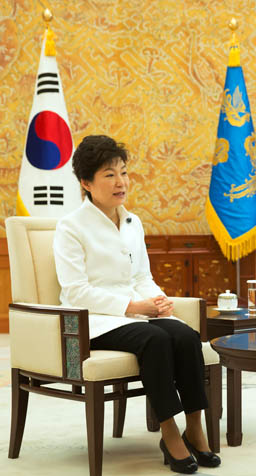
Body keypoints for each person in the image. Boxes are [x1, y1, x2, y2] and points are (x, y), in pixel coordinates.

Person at [53, 135, 221, 474]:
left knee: (186, 336)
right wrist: (134, 306)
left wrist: (157, 300)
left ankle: (195, 427)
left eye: (124, 172)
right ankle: (169, 433)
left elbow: (141, 275)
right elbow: (76, 291)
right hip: (95, 321)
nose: (121, 182)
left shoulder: (132, 221)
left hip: (134, 314)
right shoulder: (70, 227)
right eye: (109, 175)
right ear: (86, 183)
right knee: (157, 340)